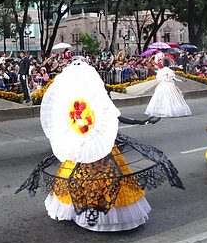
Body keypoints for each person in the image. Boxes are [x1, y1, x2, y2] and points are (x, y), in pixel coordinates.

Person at [17, 59, 184, 231]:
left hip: (83, 144)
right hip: (96, 145)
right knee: (100, 179)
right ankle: (99, 215)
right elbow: (114, 116)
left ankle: (78, 210)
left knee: (76, 177)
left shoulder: (75, 97)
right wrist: (140, 122)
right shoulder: (92, 95)